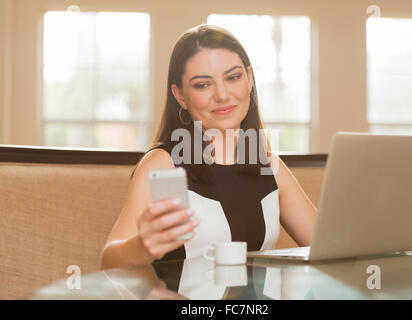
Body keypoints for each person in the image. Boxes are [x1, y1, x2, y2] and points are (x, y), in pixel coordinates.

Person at [101, 24, 317, 270]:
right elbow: (109, 262)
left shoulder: (270, 166)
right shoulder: (163, 164)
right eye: (203, 85)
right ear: (180, 95)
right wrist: (141, 246)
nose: (222, 95)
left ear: (250, 79)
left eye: (233, 77)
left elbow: (328, 248)